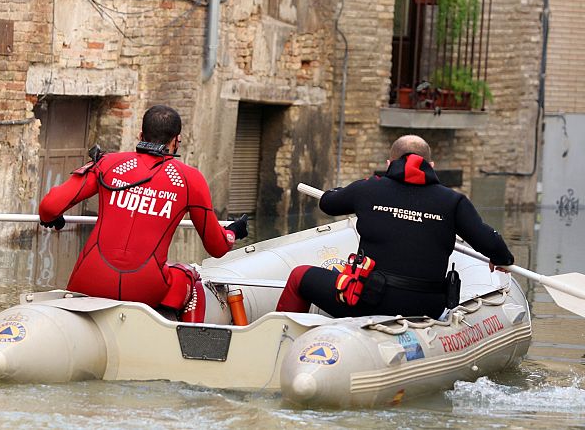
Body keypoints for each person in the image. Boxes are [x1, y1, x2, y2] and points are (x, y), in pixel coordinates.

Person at [39, 105, 248, 322]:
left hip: (87, 281)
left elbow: (48, 206)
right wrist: (232, 231)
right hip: (144, 290)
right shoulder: (190, 180)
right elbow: (217, 247)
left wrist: (52, 218)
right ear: (177, 140)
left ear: (140, 135)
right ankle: (180, 342)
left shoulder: (108, 163)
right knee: (189, 275)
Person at [276, 134, 513, 319]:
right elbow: (491, 242)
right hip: (427, 307)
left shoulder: (367, 189)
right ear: (430, 165)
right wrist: (501, 258)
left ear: (390, 163)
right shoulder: (453, 201)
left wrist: (346, 194)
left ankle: (278, 346)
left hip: (369, 301)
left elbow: (328, 203)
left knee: (300, 276)